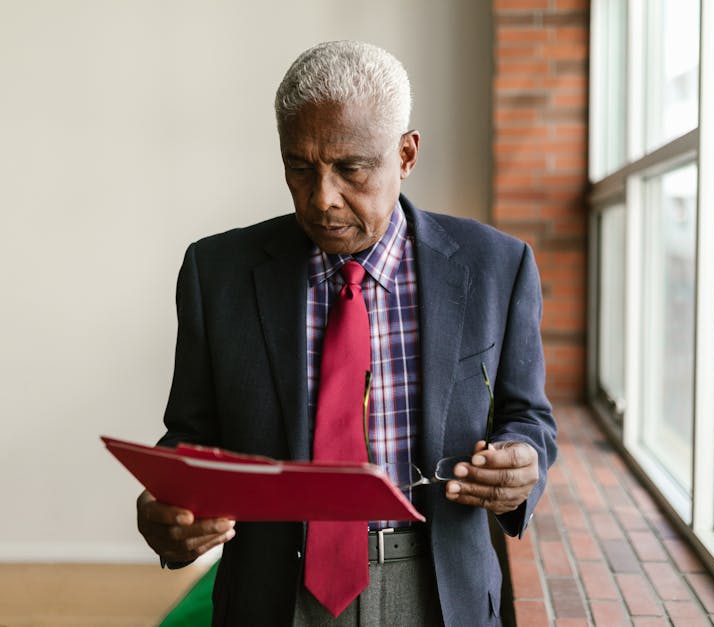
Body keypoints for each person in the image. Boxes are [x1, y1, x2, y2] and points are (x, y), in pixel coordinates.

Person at [136, 40, 556, 626]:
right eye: (300, 168)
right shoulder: (218, 274)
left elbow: (528, 416)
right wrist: (168, 509)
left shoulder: (496, 267)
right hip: (274, 594)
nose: (322, 198)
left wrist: (522, 462)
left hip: (439, 590)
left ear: (406, 154)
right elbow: (188, 435)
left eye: (351, 168)